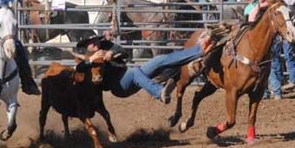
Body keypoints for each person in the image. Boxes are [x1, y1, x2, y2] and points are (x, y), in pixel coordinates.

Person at [75, 34, 215, 104]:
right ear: (86, 46)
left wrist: (113, 53)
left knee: (160, 60)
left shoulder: (106, 45)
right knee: (135, 71)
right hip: (119, 86)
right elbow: (79, 68)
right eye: (90, 43)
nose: (94, 44)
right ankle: (160, 92)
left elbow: (124, 52)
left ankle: (200, 50)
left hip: (131, 76)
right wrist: (92, 60)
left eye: (95, 41)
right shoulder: (87, 57)